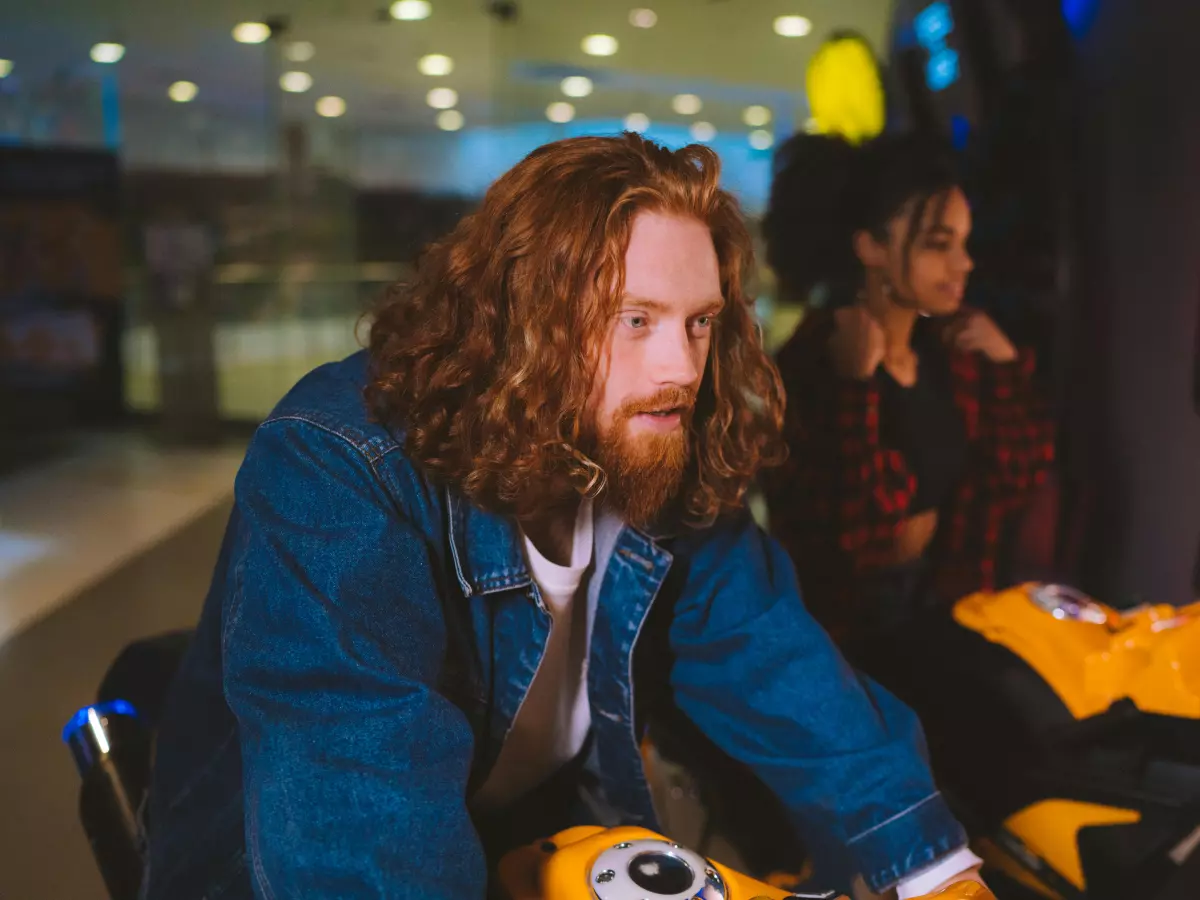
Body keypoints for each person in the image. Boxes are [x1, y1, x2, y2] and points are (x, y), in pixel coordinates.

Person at [144, 134, 986, 900]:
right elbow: (355, 809)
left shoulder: (652, 446)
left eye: (700, 323)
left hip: (522, 835)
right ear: (524, 318)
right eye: (635, 320)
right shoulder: (338, 464)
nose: (681, 368)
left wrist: (936, 868)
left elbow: (776, 658)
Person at [760, 132, 1055, 651]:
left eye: (964, 243)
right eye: (939, 245)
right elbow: (857, 538)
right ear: (870, 246)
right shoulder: (812, 363)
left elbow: (1016, 476)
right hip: (840, 651)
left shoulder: (950, 352)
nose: (963, 264)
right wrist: (853, 389)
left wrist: (1007, 366)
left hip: (948, 629)